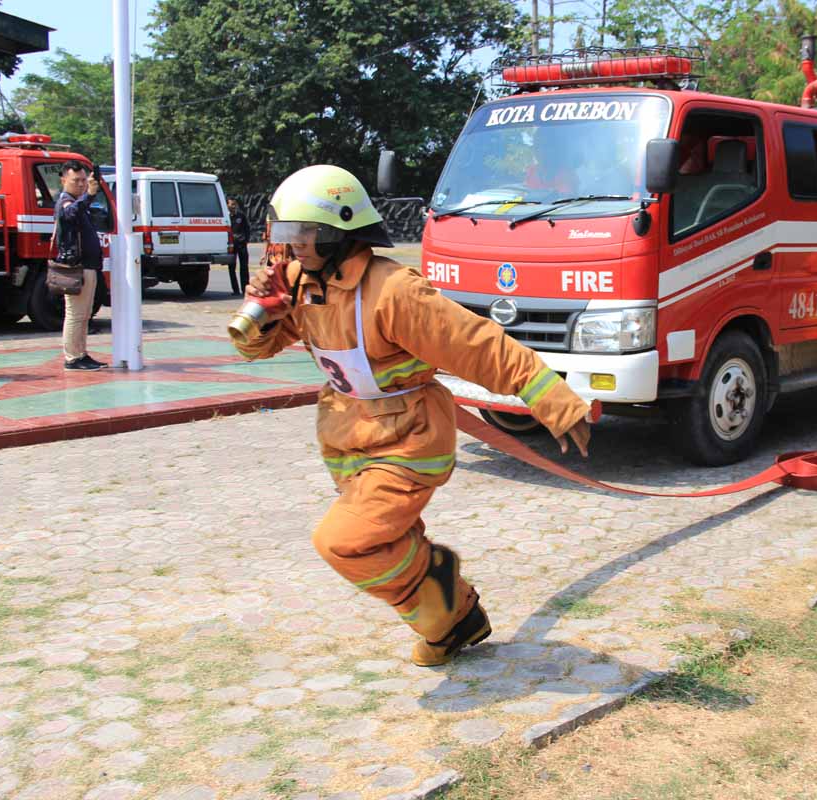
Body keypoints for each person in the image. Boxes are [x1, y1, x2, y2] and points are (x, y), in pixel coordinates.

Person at [234, 165, 592, 666]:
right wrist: (262, 310)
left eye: (303, 234)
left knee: (343, 542)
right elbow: (259, 348)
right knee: (391, 538)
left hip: (407, 439)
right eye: (285, 234)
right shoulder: (302, 281)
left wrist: (550, 397)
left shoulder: (393, 291)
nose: (292, 247)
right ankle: (455, 622)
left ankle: (445, 609)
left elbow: (474, 344)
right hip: (346, 438)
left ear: (339, 230)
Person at [56, 161, 106, 371]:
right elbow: (70, 214)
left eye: (84, 180)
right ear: (63, 180)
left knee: (84, 315)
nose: (81, 184)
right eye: (76, 180)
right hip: (77, 266)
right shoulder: (66, 202)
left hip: (87, 265)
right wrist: (90, 195)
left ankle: (80, 353)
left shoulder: (78, 202)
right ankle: (73, 357)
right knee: (76, 314)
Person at [227, 196, 251, 296]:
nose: (233, 206)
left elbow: (247, 229)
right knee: (231, 268)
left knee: (244, 267)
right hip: (231, 245)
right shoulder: (225, 217)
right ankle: (235, 290)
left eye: (234, 204)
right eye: (231, 204)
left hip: (241, 244)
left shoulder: (241, 216)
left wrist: (245, 240)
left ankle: (245, 289)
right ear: (227, 205)